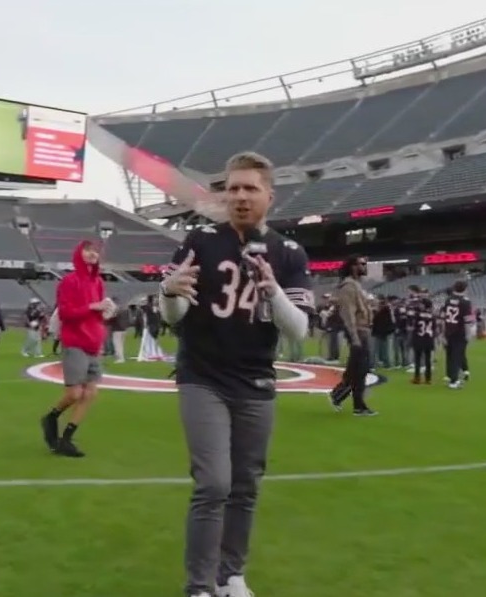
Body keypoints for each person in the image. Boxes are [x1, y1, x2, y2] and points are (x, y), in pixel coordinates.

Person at [158, 151, 312, 597]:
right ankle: (200, 586)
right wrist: (169, 291)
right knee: (214, 484)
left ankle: (231, 574)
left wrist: (274, 291)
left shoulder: (289, 252)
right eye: (233, 188)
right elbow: (173, 314)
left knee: (245, 485)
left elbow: (299, 329)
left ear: (269, 195)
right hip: (203, 375)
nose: (240, 196)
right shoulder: (200, 240)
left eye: (250, 188)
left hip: (256, 382)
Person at [40, 241, 111, 458]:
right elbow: (65, 313)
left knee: (90, 394)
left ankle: (66, 439)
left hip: (93, 342)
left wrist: (106, 311)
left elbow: (97, 314)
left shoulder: (98, 282)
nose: (93, 254)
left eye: (96, 251)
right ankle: (51, 417)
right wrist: (92, 307)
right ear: (79, 253)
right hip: (75, 341)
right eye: (88, 250)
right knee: (74, 393)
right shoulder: (69, 281)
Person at [328, 254, 377, 415]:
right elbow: (348, 314)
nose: (364, 266)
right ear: (353, 266)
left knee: (357, 369)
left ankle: (342, 396)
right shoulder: (349, 286)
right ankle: (356, 404)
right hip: (358, 331)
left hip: (362, 330)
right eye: (362, 263)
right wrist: (354, 337)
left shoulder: (355, 285)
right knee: (360, 369)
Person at [442, 280, 473, 389]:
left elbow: (444, 317)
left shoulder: (448, 300)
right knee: (457, 356)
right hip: (459, 331)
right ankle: (454, 381)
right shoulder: (465, 302)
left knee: (450, 355)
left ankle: (450, 376)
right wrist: (469, 334)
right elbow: (467, 320)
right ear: (464, 289)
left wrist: (443, 333)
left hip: (449, 329)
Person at [411, 297, 436, 383]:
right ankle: (428, 378)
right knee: (428, 360)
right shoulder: (433, 315)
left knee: (417, 359)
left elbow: (415, 326)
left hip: (419, 338)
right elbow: (434, 328)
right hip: (428, 339)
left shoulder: (418, 314)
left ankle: (417, 377)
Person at [137, 295, 165, 361]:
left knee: (152, 340)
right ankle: (149, 353)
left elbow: (158, 317)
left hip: (154, 325)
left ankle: (153, 352)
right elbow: (145, 314)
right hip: (150, 325)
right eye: (155, 299)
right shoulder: (147, 307)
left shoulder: (155, 307)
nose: (156, 300)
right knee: (147, 340)